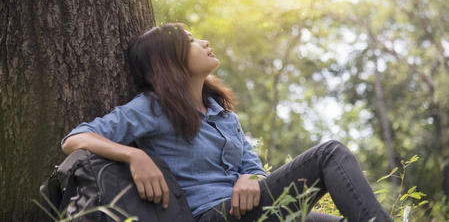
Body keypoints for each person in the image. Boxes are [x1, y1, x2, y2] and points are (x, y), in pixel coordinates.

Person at [62, 23, 392, 222]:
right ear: (169, 60)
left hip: (251, 210)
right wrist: (135, 155)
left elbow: (252, 167)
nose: (203, 43)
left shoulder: (223, 114)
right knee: (329, 153)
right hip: (210, 216)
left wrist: (250, 178)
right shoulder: (151, 108)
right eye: (190, 40)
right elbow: (75, 138)